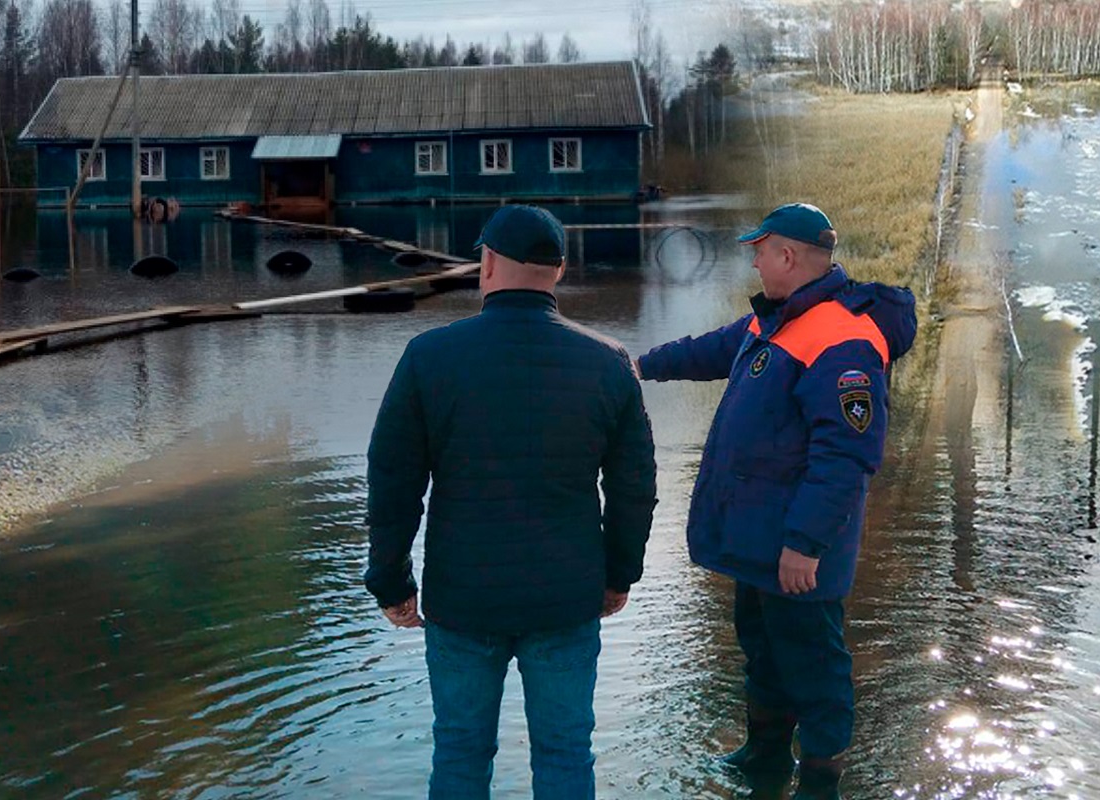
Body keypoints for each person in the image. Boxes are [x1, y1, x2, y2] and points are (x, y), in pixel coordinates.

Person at [365, 204, 658, 800]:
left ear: (488, 263)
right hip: (566, 597)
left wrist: (390, 580)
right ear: (558, 270)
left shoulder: (428, 357)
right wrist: (619, 574)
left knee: (461, 753)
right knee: (566, 753)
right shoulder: (608, 362)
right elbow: (634, 488)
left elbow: (394, 482)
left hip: (463, 598)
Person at [634, 203, 916, 800]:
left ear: (787, 256)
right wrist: (638, 367)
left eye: (758, 250)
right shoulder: (779, 319)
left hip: (798, 550)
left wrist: (805, 545)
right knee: (762, 648)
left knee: (814, 662)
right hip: (759, 540)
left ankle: (820, 780)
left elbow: (844, 457)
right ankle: (764, 756)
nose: (754, 259)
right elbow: (709, 351)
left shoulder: (842, 340)